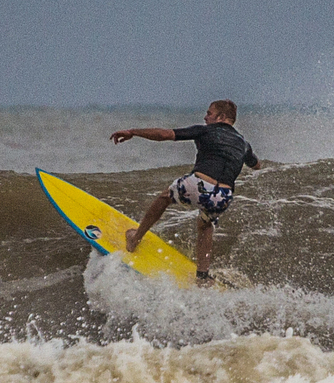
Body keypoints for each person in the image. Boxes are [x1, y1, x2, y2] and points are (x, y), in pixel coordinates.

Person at [110, 100, 260, 281]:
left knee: (165, 197)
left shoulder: (205, 130)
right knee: (205, 225)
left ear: (221, 117)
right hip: (223, 197)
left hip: (199, 185)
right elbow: (256, 165)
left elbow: (164, 134)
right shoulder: (244, 144)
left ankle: (135, 238)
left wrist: (133, 132)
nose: (205, 117)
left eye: (209, 113)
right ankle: (202, 276)